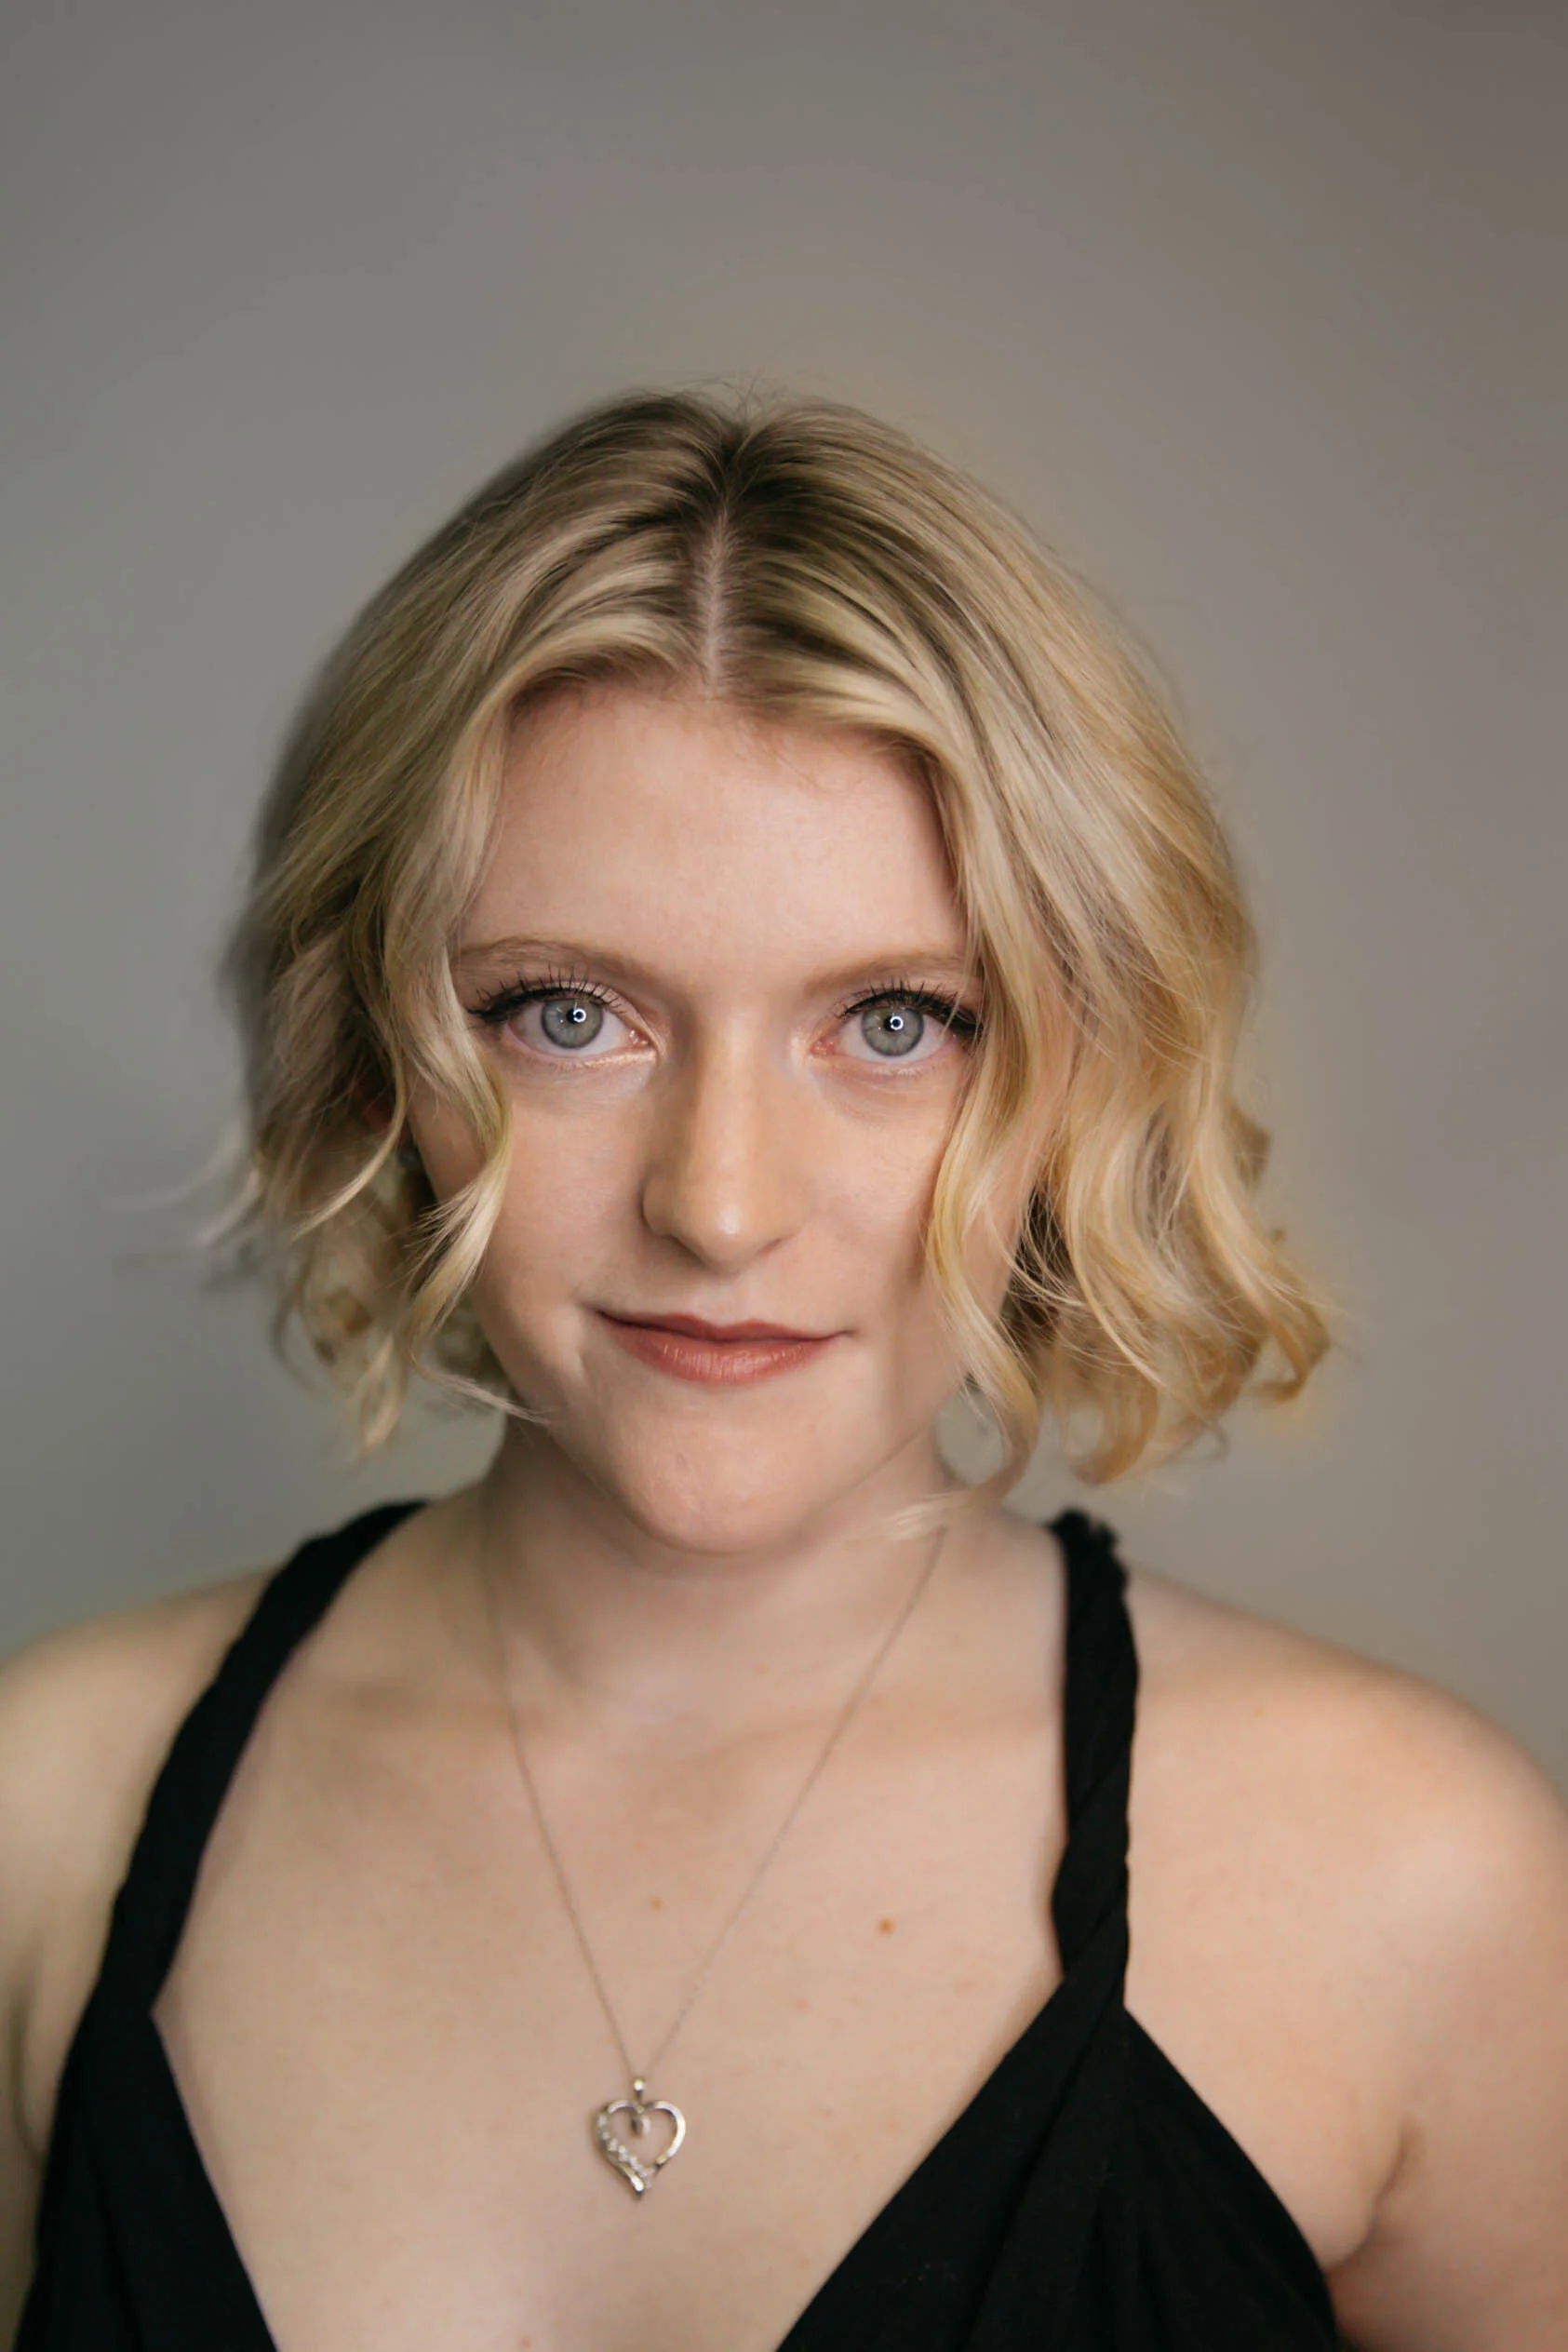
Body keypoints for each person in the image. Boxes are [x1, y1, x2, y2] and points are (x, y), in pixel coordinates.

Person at [2, 390, 1564, 2352]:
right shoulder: (45, 1810)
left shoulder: (1413, 1884)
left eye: (896, 1022)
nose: (721, 1204)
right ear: (384, 1052)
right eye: (566, 1014)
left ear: (1087, 1073)